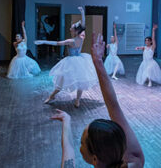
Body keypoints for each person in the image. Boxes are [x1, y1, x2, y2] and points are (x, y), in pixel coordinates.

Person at [51, 33, 145, 168]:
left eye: (82, 143)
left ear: (95, 159)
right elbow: (114, 106)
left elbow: (68, 152)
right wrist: (98, 62)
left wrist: (66, 122)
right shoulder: (135, 163)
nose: (80, 145)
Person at [35, 7, 98, 107]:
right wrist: (82, 13)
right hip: (80, 61)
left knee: (64, 81)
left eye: (72, 27)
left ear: (76, 31)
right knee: (80, 81)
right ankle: (73, 100)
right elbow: (83, 25)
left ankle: (55, 97)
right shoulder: (81, 38)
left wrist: (43, 41)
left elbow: (57, 43)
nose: (70, 28)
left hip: (71, 63)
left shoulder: (71, 41)